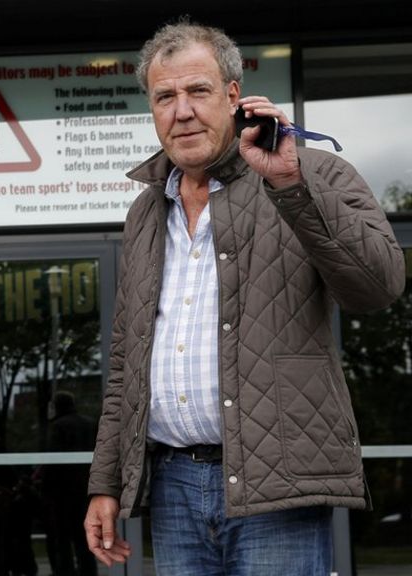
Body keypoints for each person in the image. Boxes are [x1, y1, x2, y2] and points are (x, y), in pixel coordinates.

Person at [84, 18, 405, 576]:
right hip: (174, 485)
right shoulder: (145, 212)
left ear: (234, 96)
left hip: (277, 484)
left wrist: (291, 185)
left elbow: (378, 288)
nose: (182, 111)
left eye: (198, 91)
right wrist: (106, 483)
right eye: (165, 97)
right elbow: (125, 365)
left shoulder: (311, 172)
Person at [42, 392, 96, 576]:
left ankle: (65, 571)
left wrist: (45, 488)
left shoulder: (57, 426)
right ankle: (88, 571)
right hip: (86, 488)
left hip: (62, 492)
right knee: (83, 536)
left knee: (62, 536)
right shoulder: (89, 424)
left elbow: (52, 461)